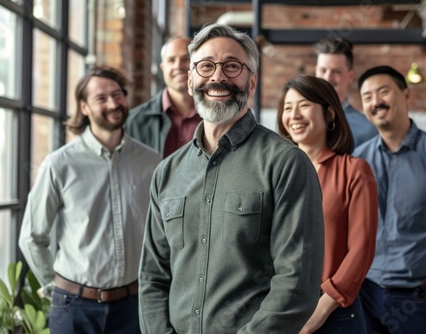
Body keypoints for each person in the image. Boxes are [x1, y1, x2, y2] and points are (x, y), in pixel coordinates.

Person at [138, 23, 325, 334]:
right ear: (190, 80)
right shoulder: (167, 173)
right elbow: (152, 276)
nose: (217, 77)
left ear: (251, 83)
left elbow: (297, 283)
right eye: (206, 66)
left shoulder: (286, 164)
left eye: (232, 66)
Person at [18, 66, 161, 333]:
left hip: (133, 306)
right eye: (101, 98)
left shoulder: (152, 162)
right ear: (84, 107)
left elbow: (162, 233)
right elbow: (31, 236)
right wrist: (54, 286)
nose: (113, 103)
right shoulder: (59, 164)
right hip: (74, 308)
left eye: (117, 94)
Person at [353, 65, 426, 334]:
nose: (376, 102)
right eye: (367, 97)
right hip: (366, 293)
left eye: (383, 92)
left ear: (405, 94)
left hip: (420, 298)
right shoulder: (357, 161)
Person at [277, 74, 378, 334]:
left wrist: (321, 311)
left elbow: (361, 249)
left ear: (330, 114)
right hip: (278, 310)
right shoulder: (274, 173)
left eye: (304, 105)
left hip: (333, 315)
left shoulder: (355, 170)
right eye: (288, 108)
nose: (294, 115)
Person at [124, 35, 202, 158]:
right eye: (171, 60)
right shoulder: (134, 122)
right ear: (163, 67)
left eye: (186, 59)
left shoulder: (216, 116)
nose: (178, 66)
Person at [314, 37, 377, 147]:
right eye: (323, 70)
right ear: (316, 72)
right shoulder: (299, 121)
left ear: (350, 76)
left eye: (336, 71)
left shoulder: (367, 130)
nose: (328, 78)